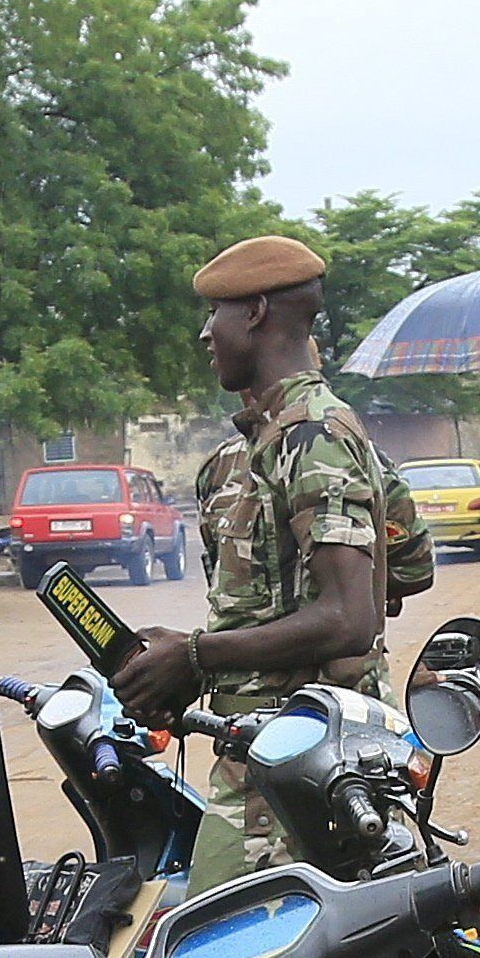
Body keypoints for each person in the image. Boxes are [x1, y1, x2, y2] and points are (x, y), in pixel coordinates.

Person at [116, 232, 395, 874]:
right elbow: (405, 565)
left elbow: (352, 617)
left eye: (215, 313)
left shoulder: (313, 436)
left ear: (257, 313)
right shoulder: (276, 439)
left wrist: (192, 655)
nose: (205, 333)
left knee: (211, 951)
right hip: (270, 751)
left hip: (307, 762)